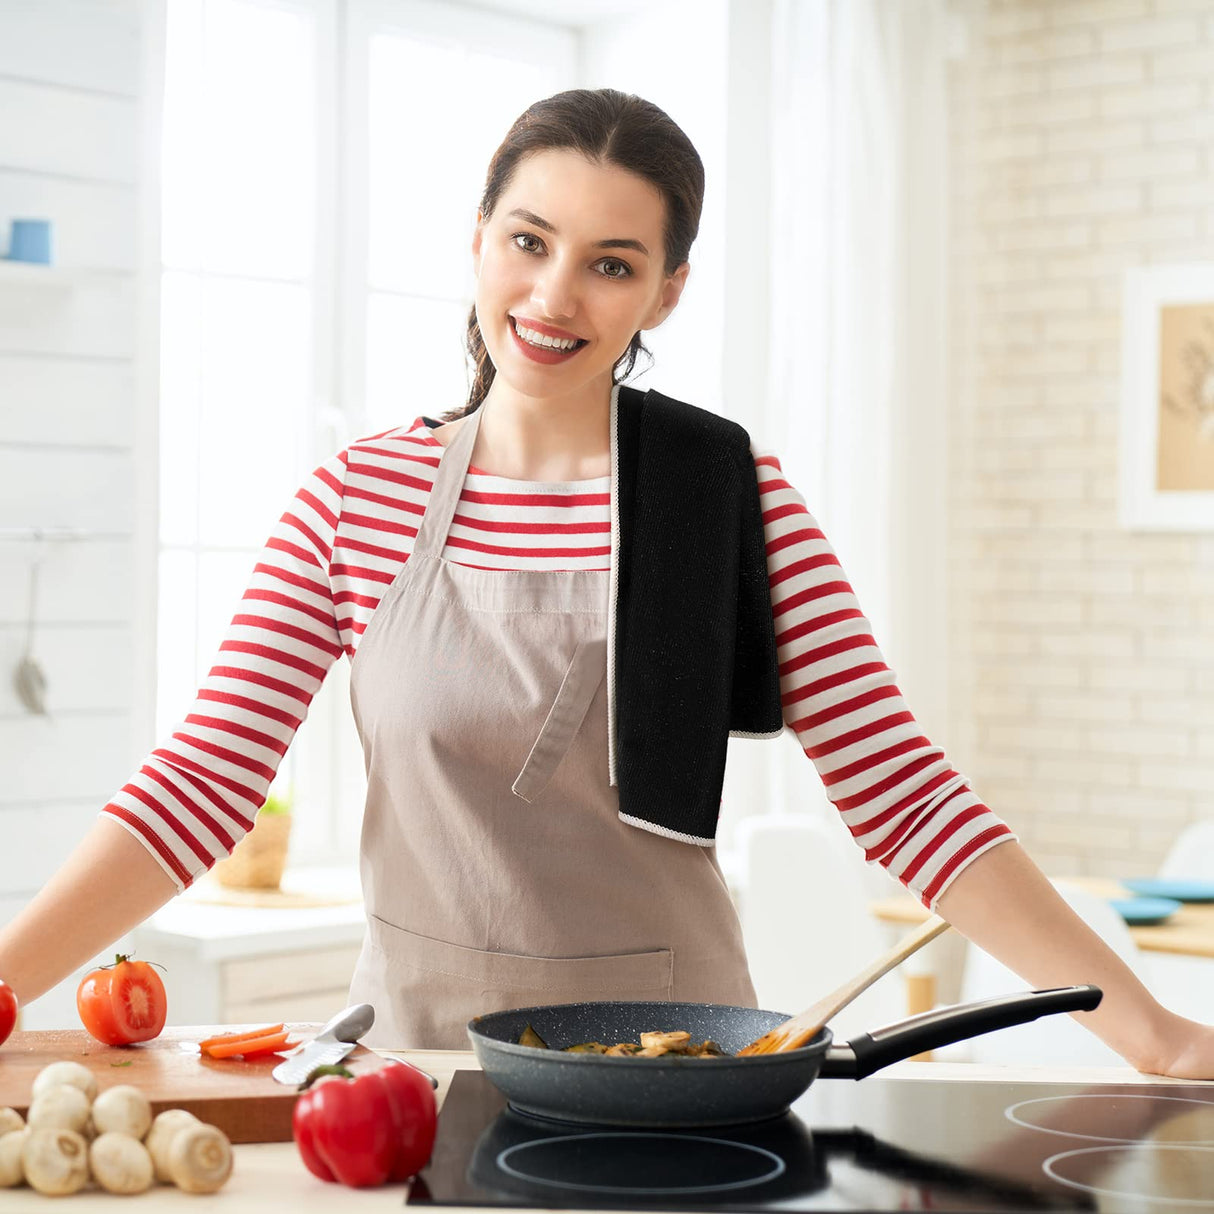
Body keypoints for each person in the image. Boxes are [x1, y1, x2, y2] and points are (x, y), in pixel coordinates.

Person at [2, 89, 1211, 1074]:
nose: (553, 295)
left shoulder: (728, 492)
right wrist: (5, 987)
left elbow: (901, 792)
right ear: (477, 236)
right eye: (528, 241)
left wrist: (1149, 1035)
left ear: (664, 290)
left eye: (611, 263)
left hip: (677, 1064)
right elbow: (202, 783)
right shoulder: (354, 497)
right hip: (419, 1063)